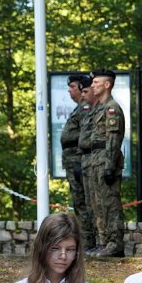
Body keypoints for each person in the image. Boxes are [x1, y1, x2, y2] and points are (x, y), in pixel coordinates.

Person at [80, 68, 125, 257]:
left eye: (96, 83)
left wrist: (110, 166)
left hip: (105, 161)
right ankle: (103, 241)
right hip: (94, 161)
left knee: (110, 204)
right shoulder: (98, 108)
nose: (92, 86)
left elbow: (113, 139)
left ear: (107, 85)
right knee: (97, 205)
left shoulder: (112, 108)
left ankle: (115, 243)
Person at [61, 73, 95, 250]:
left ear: (82, 89)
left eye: (72, 86)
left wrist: (79, 161)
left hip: (78, 160)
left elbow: (85, 135)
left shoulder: (85, 108)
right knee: (79, 202)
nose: (69, 90)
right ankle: (86, 242)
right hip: (74, 160)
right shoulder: (80, 108)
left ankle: (88, 242)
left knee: (83, 202)